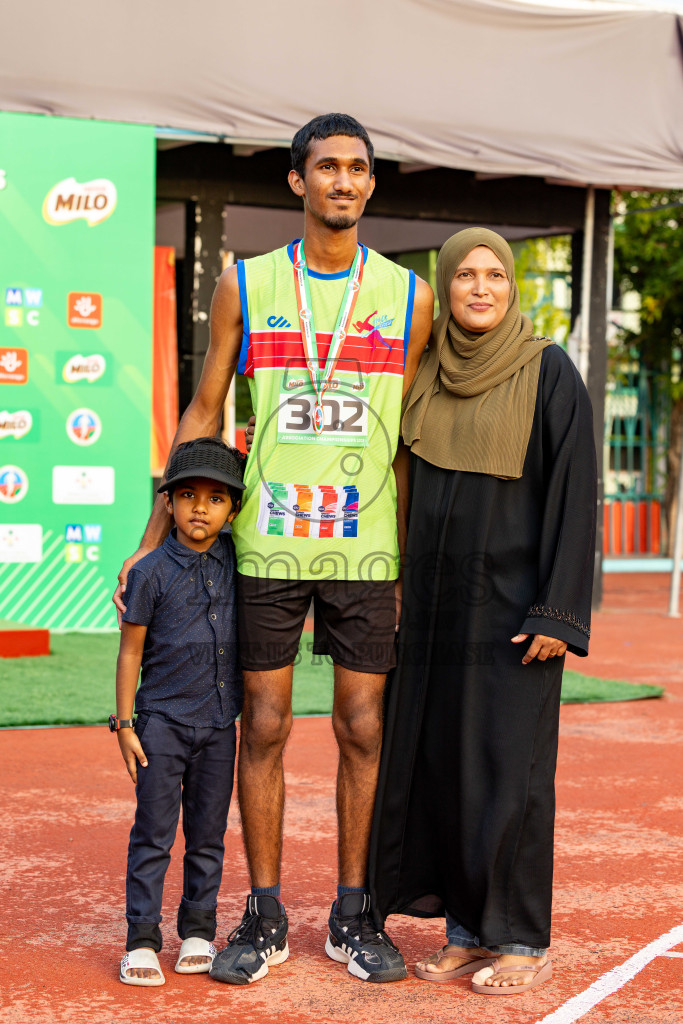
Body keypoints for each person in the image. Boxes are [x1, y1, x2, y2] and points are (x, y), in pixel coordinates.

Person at [114, 113, 433, 984]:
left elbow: (408, 441)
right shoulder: (245, 286)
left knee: (363, 726)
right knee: (262, 724)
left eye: (357, 169)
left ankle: (354, 912)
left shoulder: (409, 297)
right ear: (296, 181)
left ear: (371, 184)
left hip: (365, 548)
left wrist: (406, 557)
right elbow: (204, 410)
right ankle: (262, 914)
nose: (342, 181)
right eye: (325, 167)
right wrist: (152, 541)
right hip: (267, 546)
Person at [368, 227, 597, 995]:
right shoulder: (425, 375)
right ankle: (466, 933)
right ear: (443, 283)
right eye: (463, 275)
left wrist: (556, 612)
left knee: (510, 774)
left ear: (511, 287)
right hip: (435, 613)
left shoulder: (548, 372)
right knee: (443, 770)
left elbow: (574, 494)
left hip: (515, 618)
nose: (478, 288)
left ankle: (522, 939)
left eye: (493, 275)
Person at [114, 436, 245, 986]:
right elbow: (129, 651)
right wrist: (124, 725)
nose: (199, 507)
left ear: (232, 509)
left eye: (216, 498)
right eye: (187, 494)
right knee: (153, 834)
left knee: (209, 835)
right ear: (167, 501)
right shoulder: (150, 572)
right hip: (161, 725)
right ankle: (141, 939)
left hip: (219, 725)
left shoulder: (240, 560)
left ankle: (197, 930)